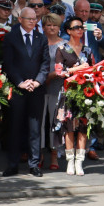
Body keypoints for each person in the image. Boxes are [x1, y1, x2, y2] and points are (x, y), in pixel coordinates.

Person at [2, 7, 50, 177]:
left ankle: (34, 164)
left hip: (36, 90)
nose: (32, 21)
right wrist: (21, 82)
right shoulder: (11, 37)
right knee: (15, 127)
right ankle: (13, 164)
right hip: (18, 89)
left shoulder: (41, 38)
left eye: (35, 18)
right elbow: (8, 63)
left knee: (35, 128)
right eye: (29, 18)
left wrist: (37, 81)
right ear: (20, 19)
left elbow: (45, 64)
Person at [54, 17, 96, 176]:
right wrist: (77, 70)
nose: (80, 29)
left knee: (83, 128)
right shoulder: (62, 48)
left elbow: (94, 70)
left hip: (85, 93)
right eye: (76, 27)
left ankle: (80, 161)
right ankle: (70, 161)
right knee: (69, 128)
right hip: (68, 93)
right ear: (69, 31)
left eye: (81, 27)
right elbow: (59, 71)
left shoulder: (88, 50)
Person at [41, 14, 65, 171]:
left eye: (54, 25)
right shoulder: (38, 41)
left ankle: (55, 154)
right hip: (40, 86)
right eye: (48, 25)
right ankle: (40, 154)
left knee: (55, 122)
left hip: (56, 86)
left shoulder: (63, 45)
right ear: (43, 27)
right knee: (40, 123)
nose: (51, 28)